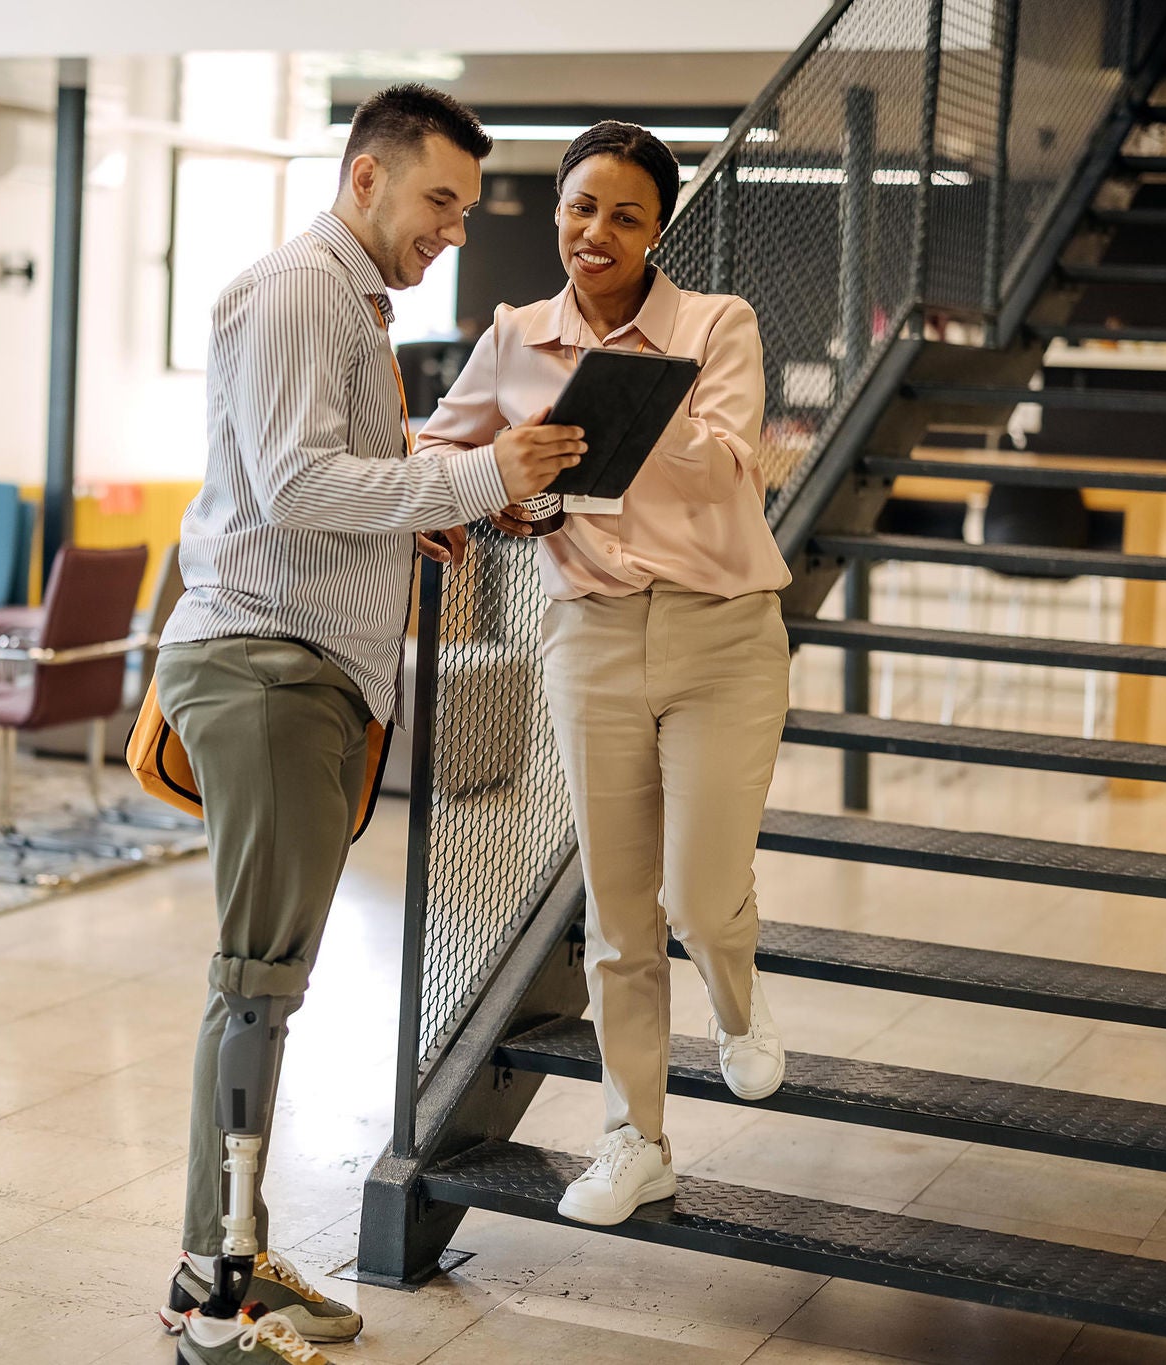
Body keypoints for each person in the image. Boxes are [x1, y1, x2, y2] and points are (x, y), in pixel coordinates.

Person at [153, 85, 586, 1363]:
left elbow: (315, 471)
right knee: (253, 988)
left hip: (308, 673)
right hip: (267, 669)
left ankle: (229, 1253)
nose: (454, 227)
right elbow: (286, 481)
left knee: (263, 990)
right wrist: (466, 473)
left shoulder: (344, 303)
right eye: (439, 200)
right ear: (365, 181)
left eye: (463, 205)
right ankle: (211, 1297)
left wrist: (426, 506)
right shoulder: (297, 289)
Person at [415, 120, 790, 1228]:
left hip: (722, 635)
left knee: (697, 896)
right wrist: (489, 486)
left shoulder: (715, 325)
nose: (595, 231)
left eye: (624, 214)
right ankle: (635, 1139)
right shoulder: (514, 334)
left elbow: (728, 460)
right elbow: (439, 449)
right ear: (558, 212)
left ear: (656, 228)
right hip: (586, 636)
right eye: (581, 207)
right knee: (621, 919)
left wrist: (622, 396)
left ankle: (736, 1000)